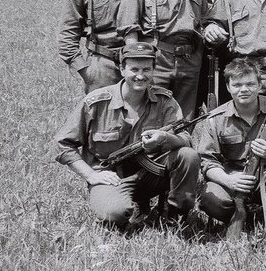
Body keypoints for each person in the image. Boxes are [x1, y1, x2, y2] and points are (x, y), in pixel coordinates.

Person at [54, 42, 200, 228]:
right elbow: (63, 144)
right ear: (122, 69)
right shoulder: (96, 103)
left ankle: (175, 216)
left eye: (147, 69)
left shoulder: (165, 101)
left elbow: (186, 138)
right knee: (114, 214)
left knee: (188, 156)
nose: (140, 76)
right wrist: (90, 175)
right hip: (112, 177)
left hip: (152, 174)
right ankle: (128, 207)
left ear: (154, 71)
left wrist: (165, 138)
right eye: (134, 69)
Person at [197, 59, 266, 231]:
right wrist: (230, 181)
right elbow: (208, 162)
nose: (244, 89)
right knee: (211, 199)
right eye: (237, 85)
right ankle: (243, 217)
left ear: (260, 85)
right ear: (228, 87)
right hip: (232, 176)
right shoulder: (215, 118)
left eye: (250, 84)